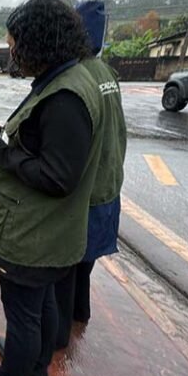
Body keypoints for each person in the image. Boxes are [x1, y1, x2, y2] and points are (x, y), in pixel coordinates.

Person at [0, 0, 104, 376]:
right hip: (52, 236)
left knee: (22, 313)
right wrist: (0, 130)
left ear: (37, 42)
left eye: (14, 43)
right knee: (41, 305)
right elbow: (46, 142)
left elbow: (56, 177)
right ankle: (35, 367)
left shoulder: (65, 98)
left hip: (34, 234)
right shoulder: (64, 80)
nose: (11, 50)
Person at [53, 48, 127, 349]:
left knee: (65, 264)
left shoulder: (78, 77)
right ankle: (80, 312)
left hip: (89, 189)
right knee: (85, 261)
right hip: (109, 183)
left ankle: (57, 337)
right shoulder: (107, 73)